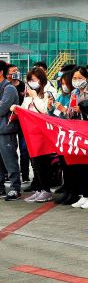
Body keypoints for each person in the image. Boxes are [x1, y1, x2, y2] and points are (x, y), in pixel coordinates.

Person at [21, 68, 58, 202]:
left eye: (34, 80)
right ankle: (39, 189)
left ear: (41, 80)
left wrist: (35, 97)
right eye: (30, 80)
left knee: (43, 163)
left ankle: (46, 190)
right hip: (31, 134)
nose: (31, 82)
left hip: (43, 135)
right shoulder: (28, 96)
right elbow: (24, 110)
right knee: (35, 163)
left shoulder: (48, 93)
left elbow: (43, 111)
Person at [66, 67, 88, 209]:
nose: (77, 81)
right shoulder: (74, 93)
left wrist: (83, 110)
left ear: (86, 78)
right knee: (80, 165)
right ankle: (84, 194)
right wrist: (71, 111)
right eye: (74, 78)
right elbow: (69, 112)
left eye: (80, 78)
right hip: (77, 130)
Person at [0, 61, 23, 201]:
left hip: (6, 130)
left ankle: (15, 188)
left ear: (1, 72)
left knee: (10, 160)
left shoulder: (9, 88)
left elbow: (2, 109)